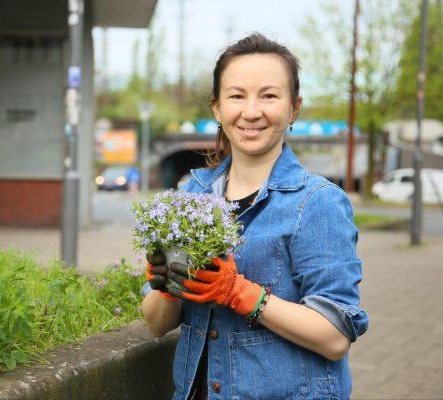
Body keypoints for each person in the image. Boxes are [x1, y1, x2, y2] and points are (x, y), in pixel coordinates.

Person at [141, 33, 368, 400]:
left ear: (294, 109)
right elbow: (155, 325)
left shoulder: (317, 202)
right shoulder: (193, 196)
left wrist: (239, 292)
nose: (251, 111)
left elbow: (335, 337)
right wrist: (167, 284)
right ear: (217, 108)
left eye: (269, 96)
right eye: (236, 96)